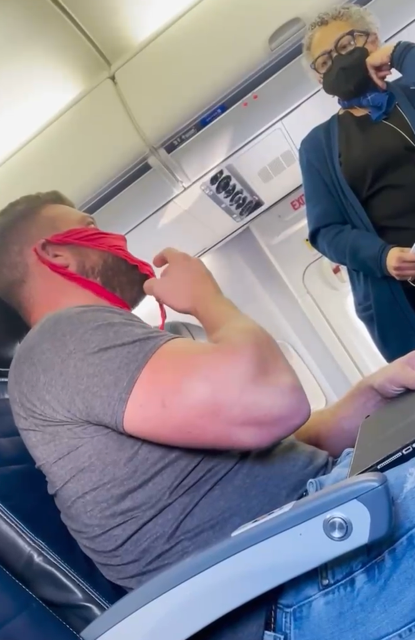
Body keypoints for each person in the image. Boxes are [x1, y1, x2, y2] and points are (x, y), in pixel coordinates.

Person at [2, 192, 415, 640]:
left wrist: (373, 391)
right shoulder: (63, 339)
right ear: (56, 253)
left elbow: (282, 446)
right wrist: (206, 298)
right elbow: (274, 403)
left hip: (318, 536)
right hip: (298, 585)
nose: (116, 238)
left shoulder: (95, 349)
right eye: (92, 228)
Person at [300, 4, 415, 363]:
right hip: (407, 289)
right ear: (320, 78)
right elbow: (326, 231)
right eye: (325, 61)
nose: (337, 62)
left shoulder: (410, 91)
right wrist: (383, 258)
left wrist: (399, 54)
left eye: (347, 45)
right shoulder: (318, 146)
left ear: (373, 40)